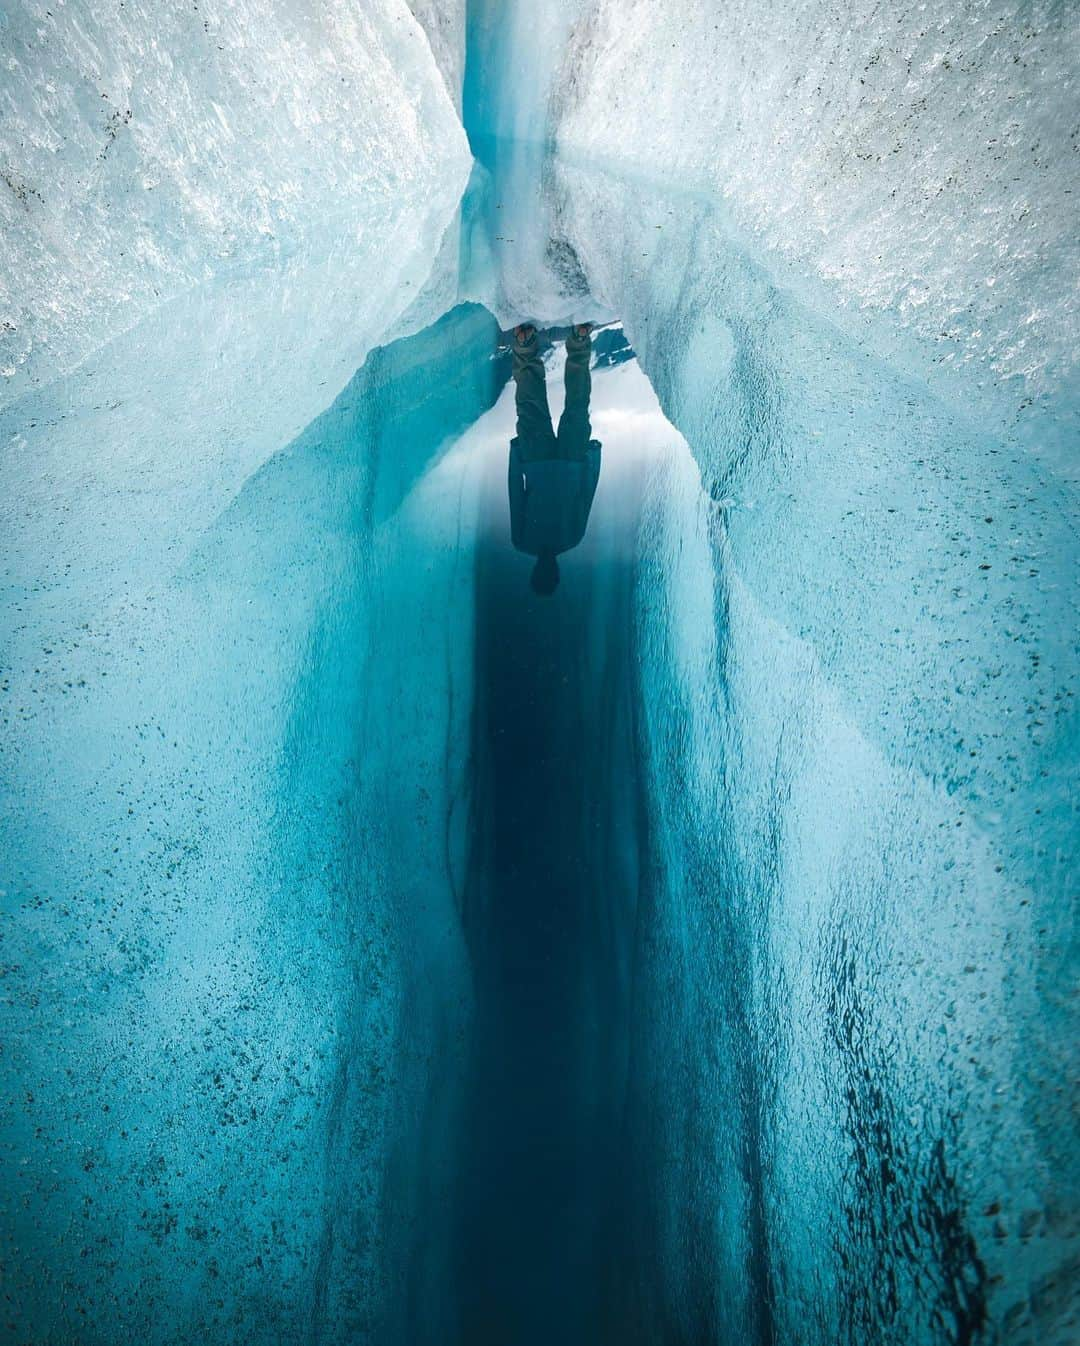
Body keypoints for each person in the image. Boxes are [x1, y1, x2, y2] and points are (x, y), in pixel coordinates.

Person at [507, 323, 602, 595]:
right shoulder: (572, 538)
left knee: (530, 404)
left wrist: (516, 456)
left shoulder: (524, 541)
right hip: (568, 462)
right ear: (557, 573)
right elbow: (586, 494)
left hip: (539, 463)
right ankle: (579, 340)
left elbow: (516, 494)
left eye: (542, 574)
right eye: (551, 574)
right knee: (576, 403)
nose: (547, 569)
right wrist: (593, 456)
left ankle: (526, 346)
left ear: (536, 572)